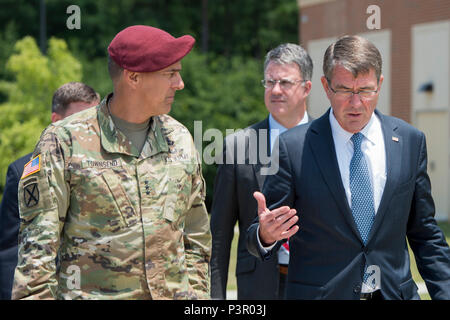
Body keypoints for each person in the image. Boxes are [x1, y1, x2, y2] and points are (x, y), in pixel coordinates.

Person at [12, 25, 211, 300]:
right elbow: (37, 251)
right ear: (133, 77)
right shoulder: (63, 142)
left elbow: (196, 238)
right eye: (171, 74)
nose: (180, 83)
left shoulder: (179, 137)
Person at [247, 35, 450, 300]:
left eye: (365, 90)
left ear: (379, 84)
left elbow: (425, 233)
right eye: (344, 90)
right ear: (326, 86)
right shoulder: (294, 147)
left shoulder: (410, 142)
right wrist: (265, 234)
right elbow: (257, 235)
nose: (355, 103)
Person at [210, 43, 313, 299]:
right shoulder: (237, 147)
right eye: (269, 82)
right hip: (258, 287)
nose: (275, 90)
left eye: (285, 83)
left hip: (317, 284)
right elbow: (219, 240)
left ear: (306, 88)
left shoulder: (328, 142)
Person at [0, 82, 100, 300]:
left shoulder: (113, 170)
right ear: (56, 121)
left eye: (95, 120)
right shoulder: (24, 172)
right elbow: (11, 251)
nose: (89, 129)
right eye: (79, 121)